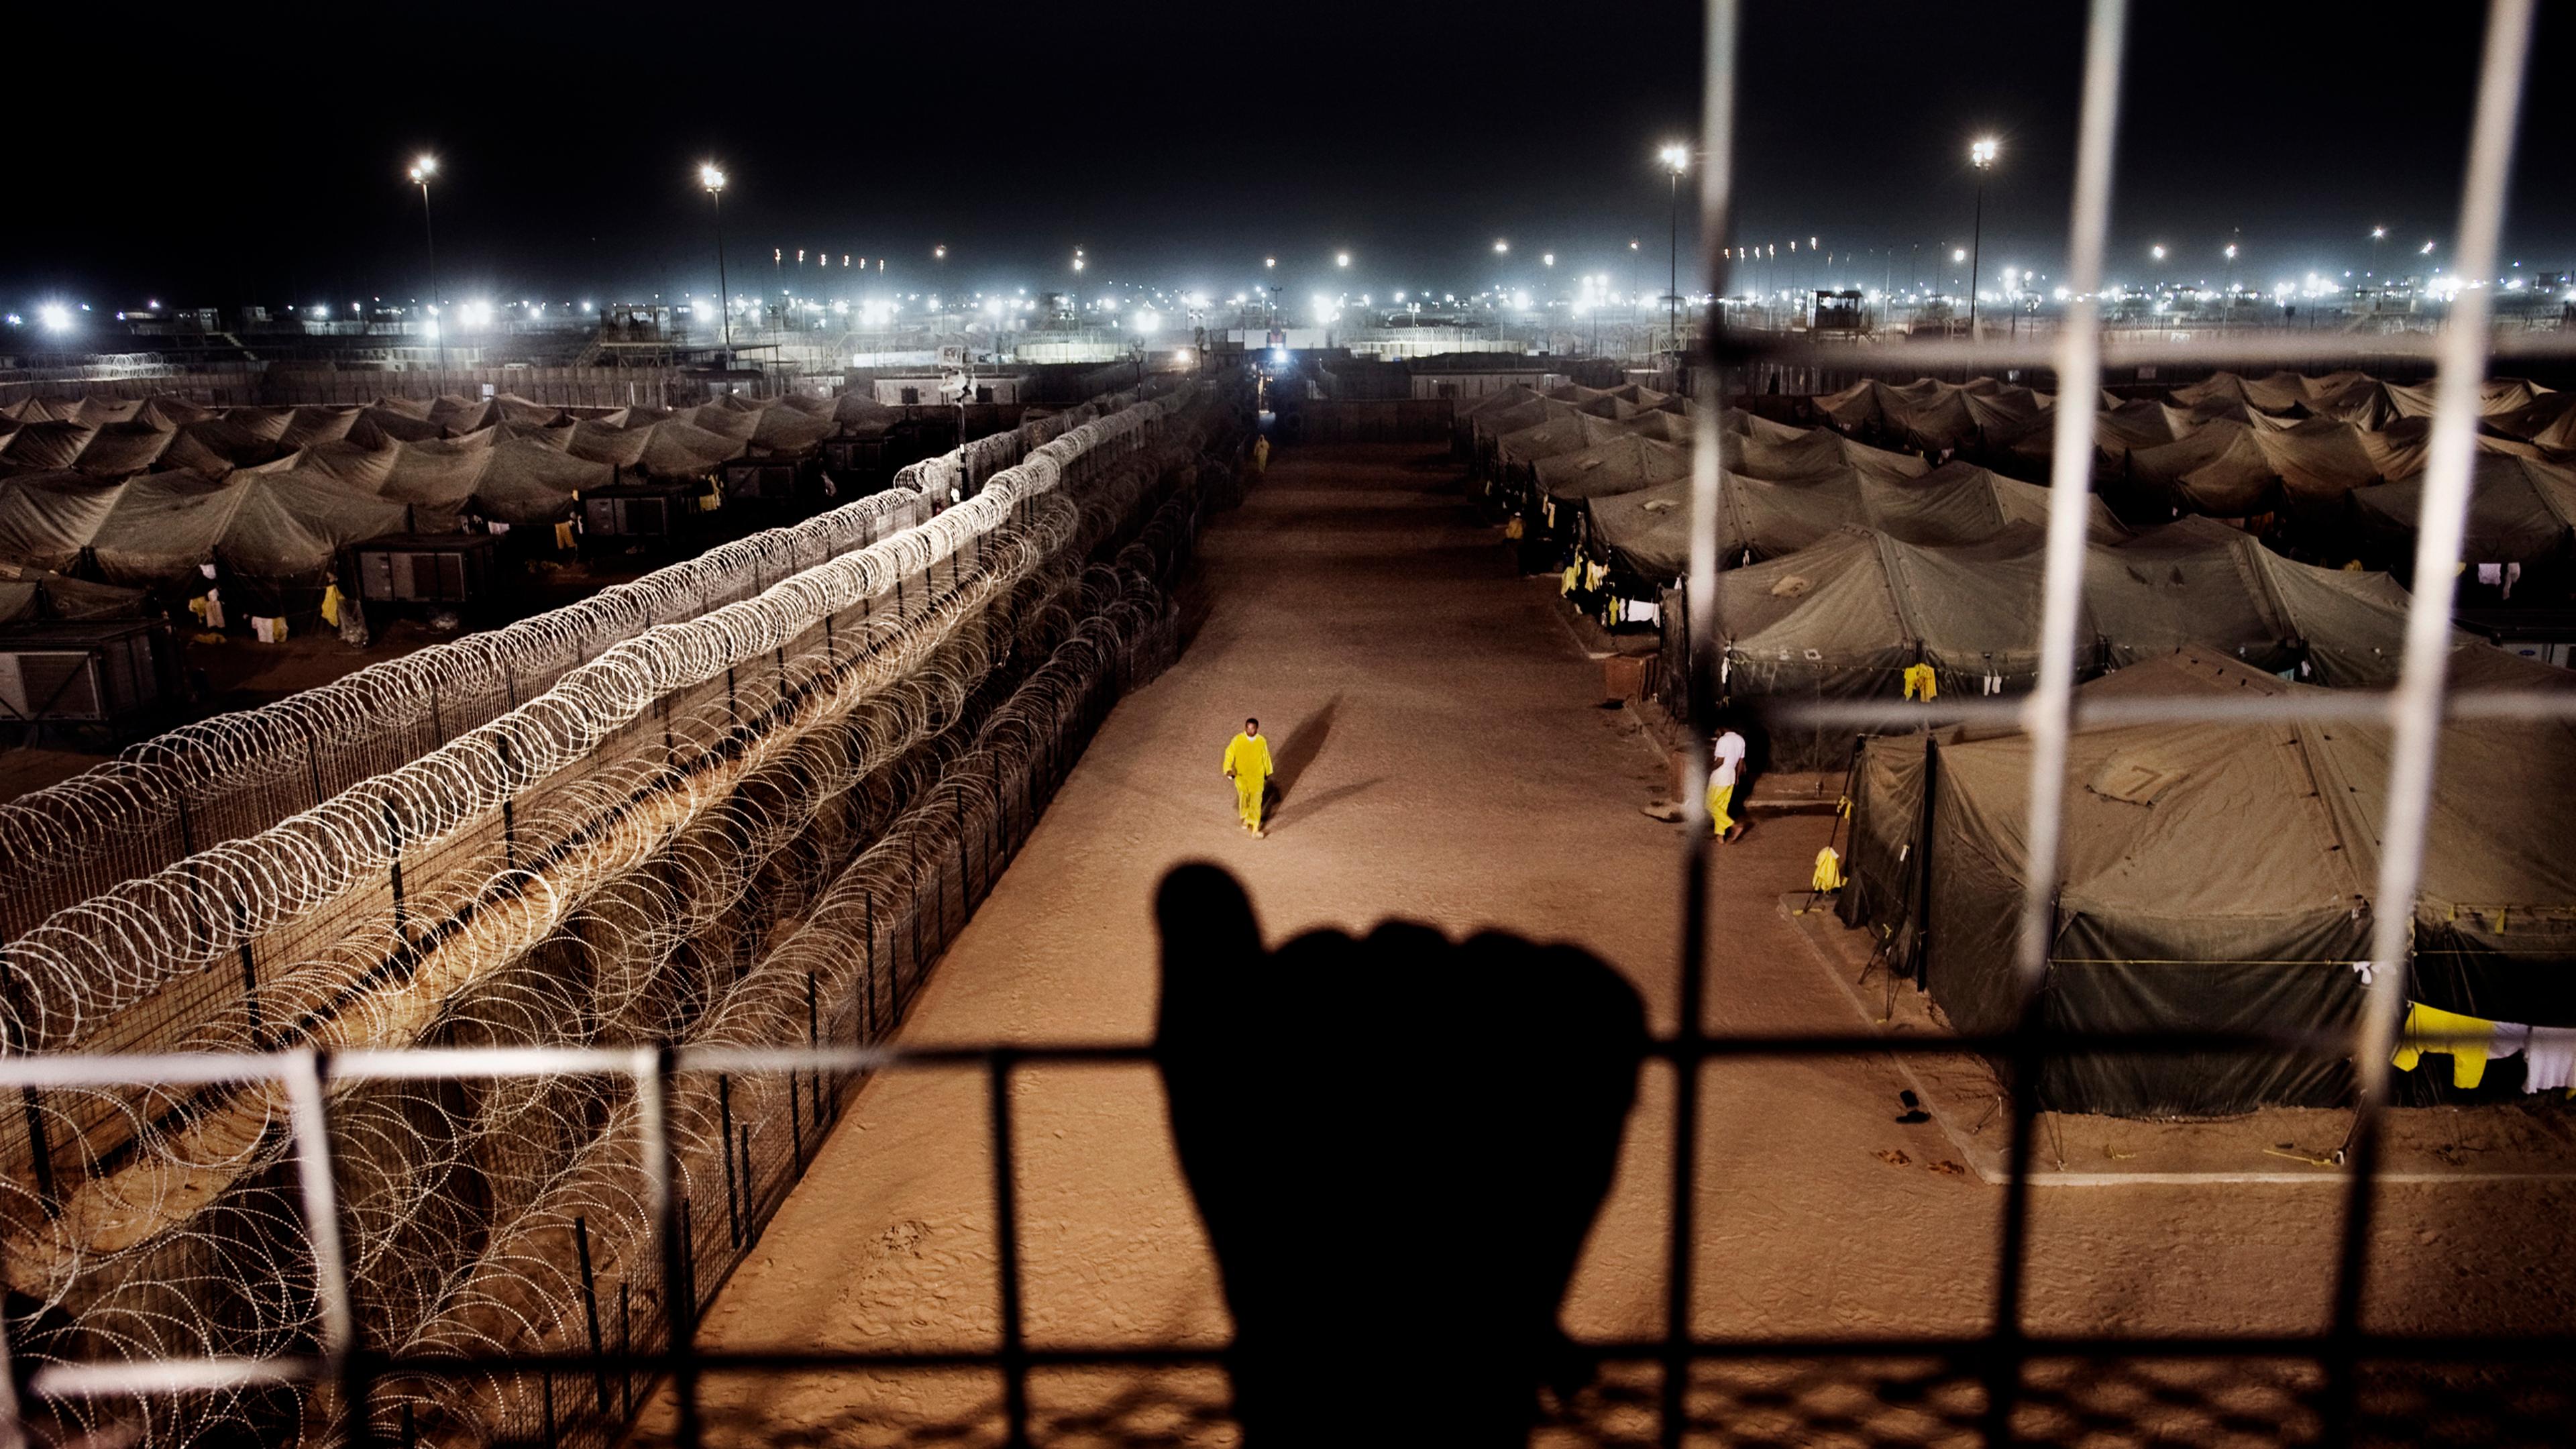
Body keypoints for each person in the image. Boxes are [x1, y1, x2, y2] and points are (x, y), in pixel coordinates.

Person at [1222, 716, 1273, 837]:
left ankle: (1255, 828)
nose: (1250, 731)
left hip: (1257, 777)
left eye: (1253, 728)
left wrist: (1267, 771)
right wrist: (1228, 769)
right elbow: (1229, 754)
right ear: (1245, 728)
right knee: (1244, 798)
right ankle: (1245, 817)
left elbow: (1266, 757)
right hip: (1242, 776)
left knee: (1256, 801)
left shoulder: (1262, 741)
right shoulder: (1237, 740)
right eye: (1248, 728)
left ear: (1257, 729)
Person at [1709, 724, 1748, 843]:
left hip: (1720, 776)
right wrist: (1736, 777)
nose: (1716, 733)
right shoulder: (1740, 739)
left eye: (1716, 730)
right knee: (1721, 807)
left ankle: (1734, 826)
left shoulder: (1723, 740)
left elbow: (1720, 761)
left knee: (1711, 805)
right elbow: (1741, 762)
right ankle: (1720, 837)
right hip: (1731, 776)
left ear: (1722, 727)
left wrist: (1707, 770)